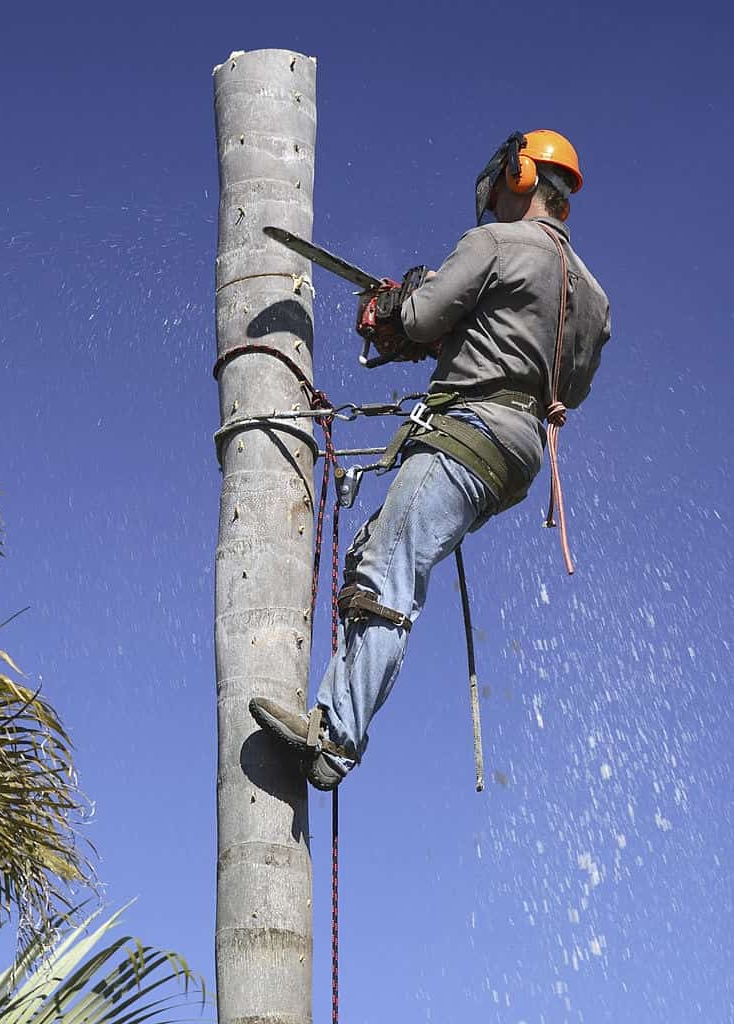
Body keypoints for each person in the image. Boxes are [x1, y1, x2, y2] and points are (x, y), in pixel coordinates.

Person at [250, 130, 611, 790]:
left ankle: (334, 735)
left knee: (386, 569)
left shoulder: (494, 244)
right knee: (387, 553)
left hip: (467, 432)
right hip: (517, 459)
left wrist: (400, 307)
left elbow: (417, 319)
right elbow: (570, 388)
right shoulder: (592, 296)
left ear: (519, 174)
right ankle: (341, 721)